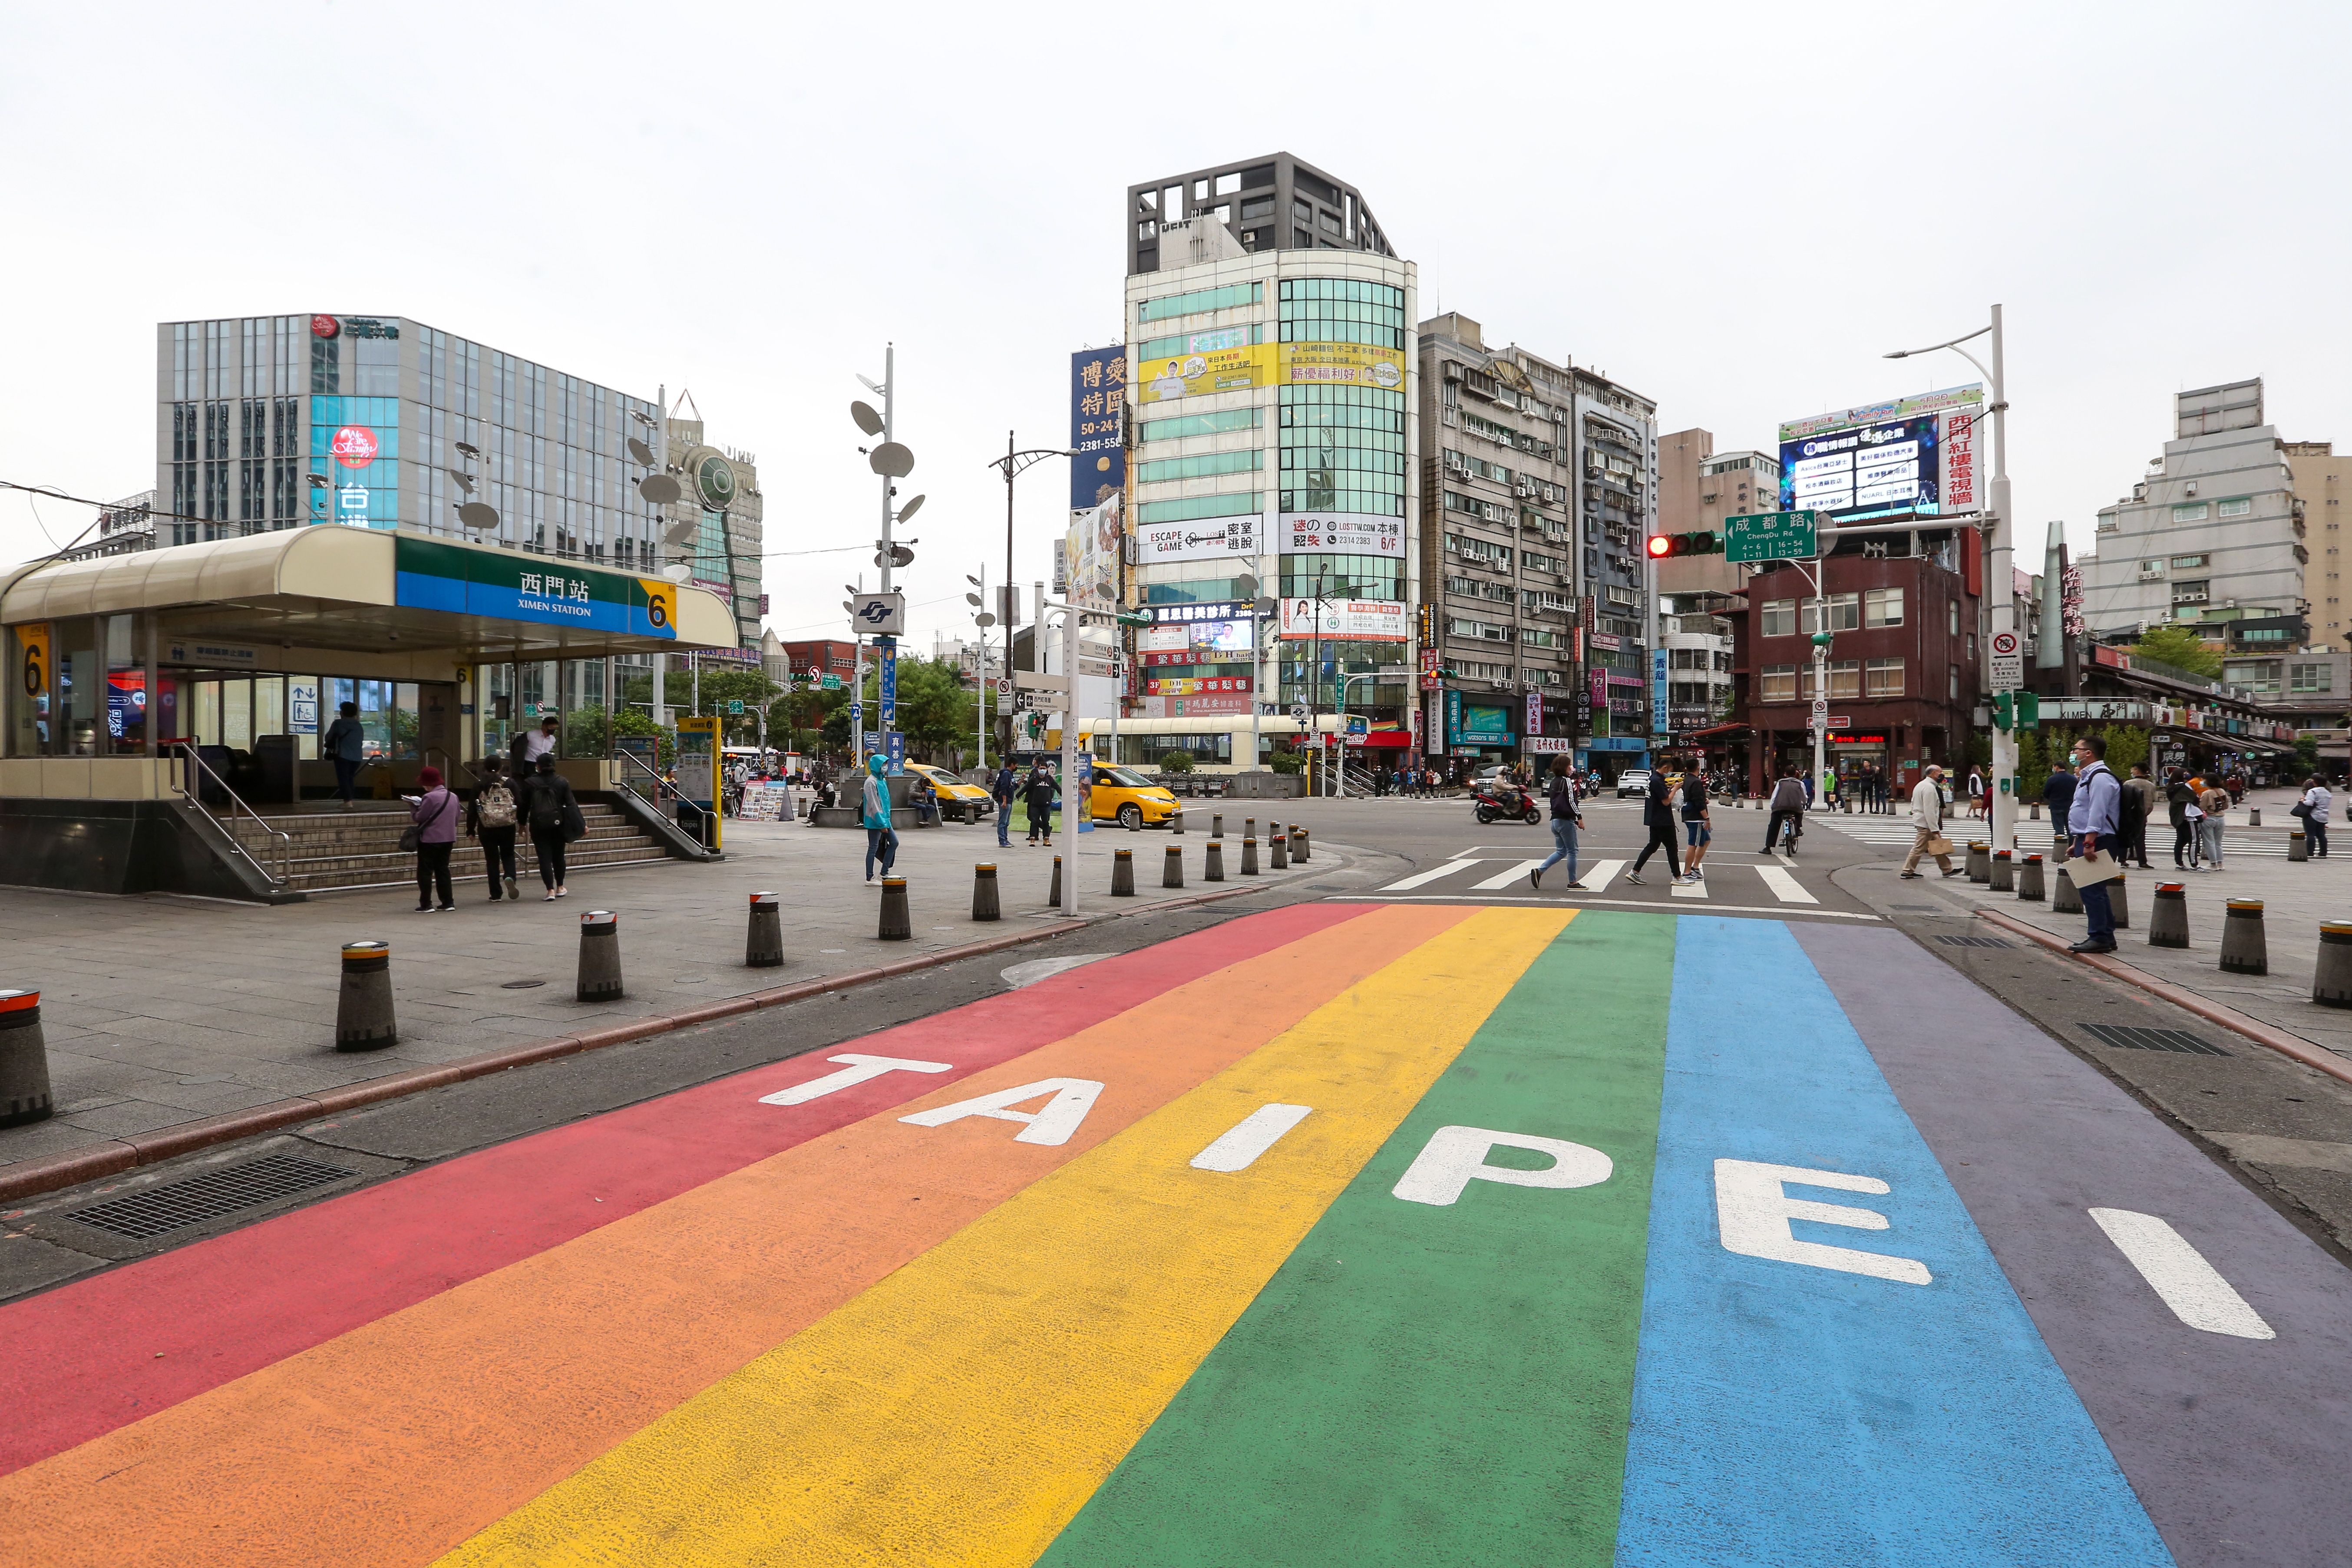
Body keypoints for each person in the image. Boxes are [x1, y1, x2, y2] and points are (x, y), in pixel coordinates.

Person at [2068, 735, 2124, 952]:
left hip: (2099, 840)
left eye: (2076, 749)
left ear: (2088, 753)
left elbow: (2097, 812)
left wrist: (2089, 842)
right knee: (2094, 889)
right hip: (2089, 839)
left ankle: (2099, 937)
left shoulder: (2100, 778)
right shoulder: (2089, 776)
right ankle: (2106, 935)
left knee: (2092, 890)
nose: (2073, 753)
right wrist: (2077, 840)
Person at [518, 754, 579, 901]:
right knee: (559, 856)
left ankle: (550, 890)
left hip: (538, 825)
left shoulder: (529, 783)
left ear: (538, 766)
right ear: (554, 765)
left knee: (544, 857)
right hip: (558, 824)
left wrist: (521, 824)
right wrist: (581, 825)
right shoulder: (562, 782)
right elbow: (572, 805)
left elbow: (524, 806)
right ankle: (560, 887)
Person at [405, 765, 460, 912]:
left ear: (428, 783)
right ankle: (448, 902)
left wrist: (412, 806)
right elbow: (456, 819)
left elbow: (419, 818)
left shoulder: (429, 797)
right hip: (448, 838)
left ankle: (426, 904)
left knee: (425, 871)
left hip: (430, 840)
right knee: (443, 870)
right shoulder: (453, 797)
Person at [466, 756, 522, 902]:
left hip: (486, 827)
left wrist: (470, 830)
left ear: (484, 768)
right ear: (501, 768)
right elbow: (520, 804)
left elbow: (472, 809)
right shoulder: (510, 783)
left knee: (492, 860)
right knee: (508, 854)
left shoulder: (479, 785)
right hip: (507, 825)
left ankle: (496, 894)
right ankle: (510, 876)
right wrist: (522, 823)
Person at [1528, 756, 1586, 892]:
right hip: (1565, 821)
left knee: (1562, 851)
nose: (1571, 768)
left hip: (1555, 820)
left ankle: (1540, 871)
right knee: (1573, 851)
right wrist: (1580, 817)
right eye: (1570, 765)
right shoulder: (1566, 781)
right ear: (1564, 767)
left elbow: (1558, 802)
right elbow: (1571, 801)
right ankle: (1573, 882)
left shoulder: (1554, 781)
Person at [1898, 764, 1962, 879]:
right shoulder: (1929, 788)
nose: (1942, 775)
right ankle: (1907, 871)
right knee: (1919, 848)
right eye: (1940, 772)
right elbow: (1930, 810)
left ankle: (1947, 869)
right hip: (1926, 823)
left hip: (1922, 821)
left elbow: (1913, 803)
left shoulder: (1921, 785)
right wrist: (1935, 829)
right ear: (1933, 773)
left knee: (1937, 845)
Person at [1625, 758, 1681, 885]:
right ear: (1665, 768)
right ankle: (1678, 877)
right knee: (1672, 848)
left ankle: (1635, 871)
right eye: (1670, 771)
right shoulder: (1657, 780)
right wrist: (1675, 789)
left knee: (1653, 845)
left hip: (1654, 818)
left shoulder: (1653, 779)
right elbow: (1666, 801)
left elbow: (1661, 795)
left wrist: (1671, 789)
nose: (1670, 774)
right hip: (1663, 820)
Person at [861, 753, 898, 881]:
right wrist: (882, 823)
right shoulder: (870, 782)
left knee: (894, 843)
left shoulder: (882, 780)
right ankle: (870, 878)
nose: (885, 767)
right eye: (883, 764)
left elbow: (885, 801)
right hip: (875, 819)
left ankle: (884, 872)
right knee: (873, 847)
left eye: (886, 764)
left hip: (884, 819)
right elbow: (874, 804)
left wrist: (886, 820)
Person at [323, 701, 366, 810]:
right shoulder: (358, 725)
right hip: (357, 757)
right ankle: (350, 799)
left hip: (343, 755)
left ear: (342, 712)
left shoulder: (338, 724)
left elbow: (329, 738)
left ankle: (347, 801)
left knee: (343, 779)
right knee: (350, 778)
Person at [1680, 765, 1713, 884]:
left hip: (1689, 815)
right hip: (1696, 818)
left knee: (1706, 840)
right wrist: (1707, 818)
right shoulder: (1696, 782)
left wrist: (1705, 800)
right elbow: (1698, 802)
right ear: (1698, 768)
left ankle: (1696, 866)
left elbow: (1694, 798)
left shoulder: (1686, 780)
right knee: (1693, 844)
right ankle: (1687, 872)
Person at [1763, 767, 1807, 856]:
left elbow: (1774, 796)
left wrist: (1773, 807)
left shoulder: (1781, 782)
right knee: (1799, 814)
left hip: (1780, 807)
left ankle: (1768, 848)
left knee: (1774, 825)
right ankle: (1798, 828)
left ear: (1785, 774)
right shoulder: (1800, 783)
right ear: (1795, 774)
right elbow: (1804, 796)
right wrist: (1803, 803)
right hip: (1795, 807)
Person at [2164, 767, 2201, 871]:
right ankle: (2195, 865)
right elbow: (2195, 799)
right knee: (2194, 841)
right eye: (2186, 774)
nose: (2187, 775)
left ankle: (2179, 864)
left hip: (2179, 817)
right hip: (2189, 816)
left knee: (2181, 840)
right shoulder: (2184, 788)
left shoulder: (2172, 788)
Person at [2123, 764, 2158, 869]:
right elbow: (2153, 800)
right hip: (2142, 815)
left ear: (2137, 771)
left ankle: (2123, 860)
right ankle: (2142, 862)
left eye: (2133, 770)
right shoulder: (2151, 785)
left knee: (2126, 837)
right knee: (2140, 839)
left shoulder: (2128, 784)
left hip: (2128, 815)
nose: (2132, 772)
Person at [2197, 778, 2230, 869]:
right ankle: (2220, 864)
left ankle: (2213, 864)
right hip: (2221, 818)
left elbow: (2202, 806)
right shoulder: (2222, 791)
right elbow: (2226, 805)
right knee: (2218, 843)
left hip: (2209, 818)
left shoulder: (2207, 793)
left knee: (2209, 842)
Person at [1024, 762, 1058, 846]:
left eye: (1044, 768)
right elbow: (1027, 787)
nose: (1042, 770)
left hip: (1046, 805)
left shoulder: (1049, 779)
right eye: (1041, 768)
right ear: (1038, 769)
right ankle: (1032, 839)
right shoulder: (1034, 779)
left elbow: (1057, 787)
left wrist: (1064, 794)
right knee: (1034, 822)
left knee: (1046, 822)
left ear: (1046, 769)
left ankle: (1046, 839)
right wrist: (1018, 795)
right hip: (1035, 804)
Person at [2298, 775, 2332, 858]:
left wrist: (2303, 800)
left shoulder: (2313, 791)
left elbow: (2309, 803)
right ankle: (2323, 853)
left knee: (2310, 834)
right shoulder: (2327, 793)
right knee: (2321, 835)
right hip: (2323, 816)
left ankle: (2310, 853)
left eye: (2313, 781)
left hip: (2312, 815)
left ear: (2316, 782)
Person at [991, 759, 1017, 848]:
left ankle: (1005, 839)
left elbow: (1014, 787)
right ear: (1012, 765)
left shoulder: (1010, 774)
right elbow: (1004, 787)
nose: (1016, 767)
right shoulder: (1006, 774)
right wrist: (1004, 801)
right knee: (1003, 821)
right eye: (1016, 765)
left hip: (1009, 800)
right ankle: (1002, 840)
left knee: (1006, 822)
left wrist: (1022, 780)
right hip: (1005, 800)